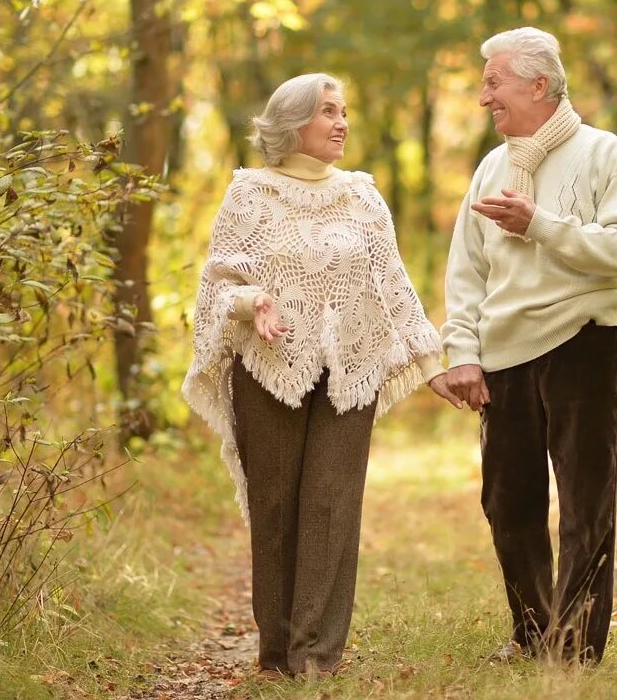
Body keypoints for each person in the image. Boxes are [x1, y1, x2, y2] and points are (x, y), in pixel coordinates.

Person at [183, 73, 444, 679]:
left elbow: (396, 288)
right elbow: (217, 285)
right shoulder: (250, 195)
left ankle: (315, 658)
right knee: (274, 507)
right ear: (293, 121)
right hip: (267, 368)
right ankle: (275, 654)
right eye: (328, 111)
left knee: (332, 505)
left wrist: (433, 364)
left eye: (345, 111)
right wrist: (253, 304)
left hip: (351, 371)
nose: (342, 122)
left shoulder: (362, 196)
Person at [428, 27, 617, 664]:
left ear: (538, 85)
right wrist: (461, 352)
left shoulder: (604, 153)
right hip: (504, 357)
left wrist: (541, 225)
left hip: (582, 343)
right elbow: (465, 272)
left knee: (585, 504)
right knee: (508, 504)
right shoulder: (492, 169)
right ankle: (533, 635)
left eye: (493, 82)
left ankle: (573, 652)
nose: (481, 97)